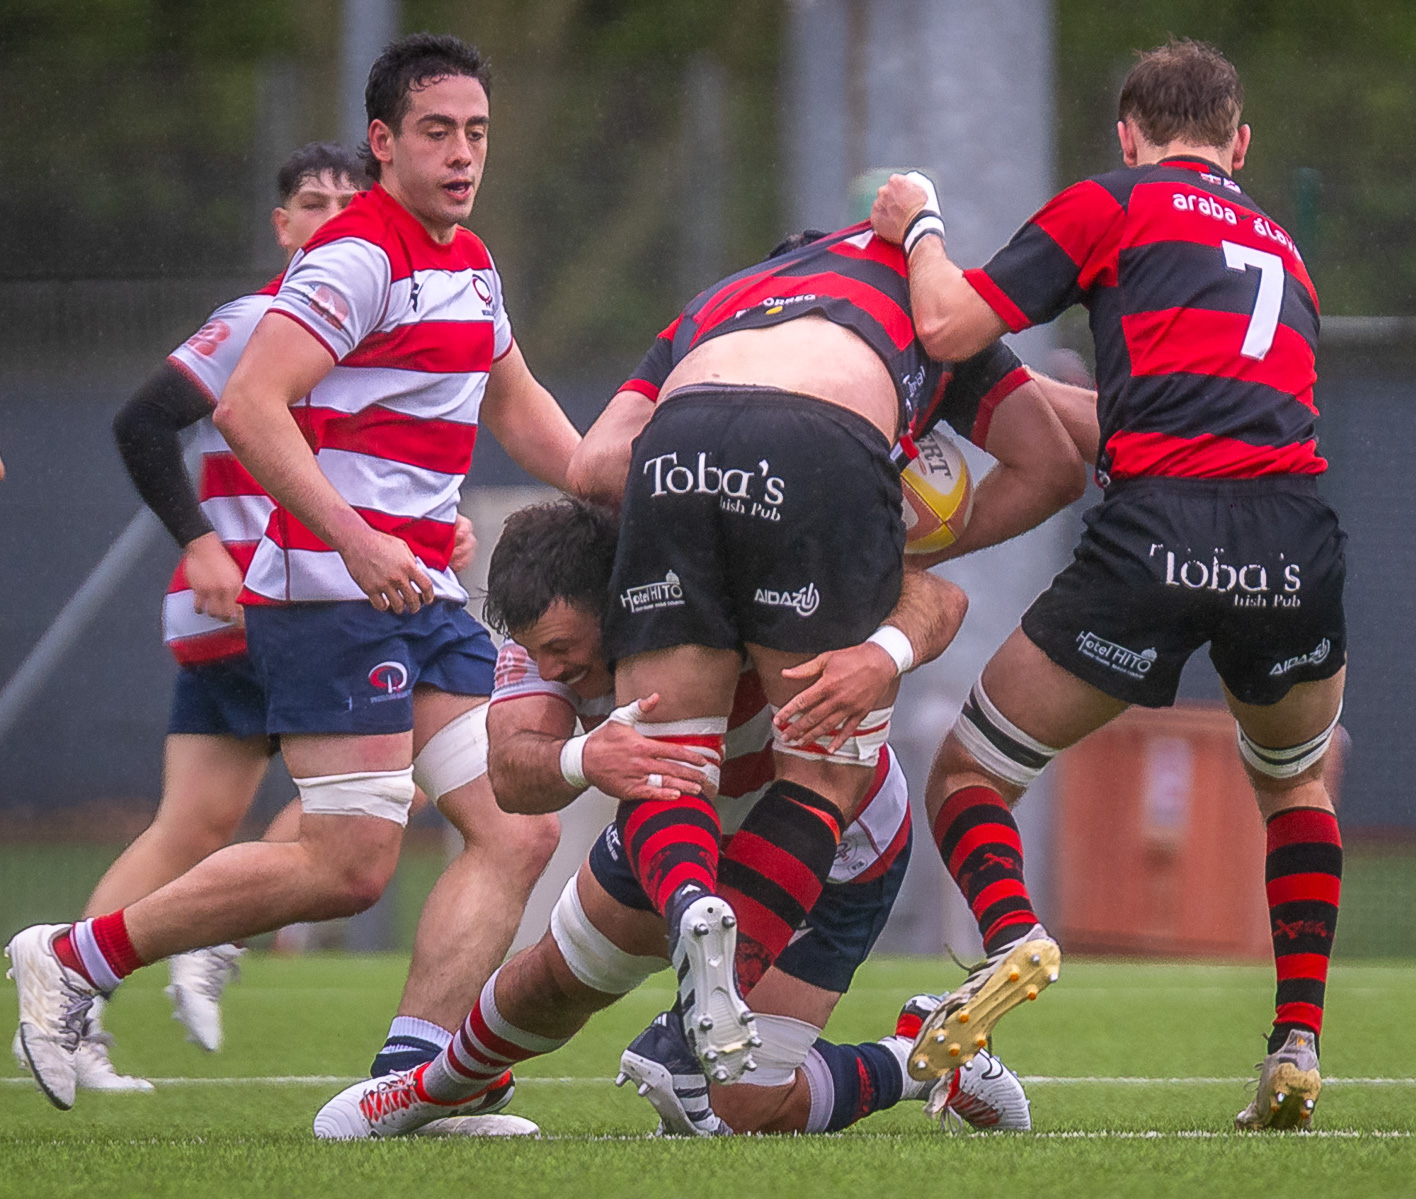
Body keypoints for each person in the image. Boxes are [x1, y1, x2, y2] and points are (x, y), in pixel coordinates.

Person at [7, 35, 574, 1127]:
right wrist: (358, 539)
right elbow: (244, 407)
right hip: (330, 597)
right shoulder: (354, 256)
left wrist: (635, 477)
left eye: (477, 133)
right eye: (436, 132)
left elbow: (529, 417)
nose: (463, 154)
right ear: (383, 142)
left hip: (423, 600)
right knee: (349, 863)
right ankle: (76, 955)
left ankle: (418, 1079)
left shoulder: (471, 260)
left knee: (518, 824)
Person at [870, 39, 1345, 1129]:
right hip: (1293, 536)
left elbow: (947, 325)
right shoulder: (1285, 248)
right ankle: (1297, 1043)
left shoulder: (1112, 202)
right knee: (1294, 785)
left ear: (1128, 136)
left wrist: (922, 222)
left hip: (1158, 537)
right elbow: (1190, 413)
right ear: (1241, 143)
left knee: (972, 773)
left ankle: (1011, 934)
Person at [313, 498, 1030, 1137]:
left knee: (746, 1107)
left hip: (835, 849)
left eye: (564, 648)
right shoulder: (541, 646)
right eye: (537, 651)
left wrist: (883, 655)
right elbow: (511, 773)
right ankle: (423, 1090)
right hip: (678, 830)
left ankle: (923, 1060)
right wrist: (583, 758)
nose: (552, 667)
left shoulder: (734, 584)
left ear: (618, 601)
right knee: (548, 986)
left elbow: (936, 595)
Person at [558, 225, 1085, 1084]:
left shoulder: (724, 301)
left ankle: (693, 908)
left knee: (667, 753)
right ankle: (694, 1028)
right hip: (823, 450)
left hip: (679, 445)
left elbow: (592, 465)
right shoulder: (931, 306)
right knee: (826, 770)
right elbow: (1054, 464)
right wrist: (869, 559)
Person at [6, 143, 397, 1097]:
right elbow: (143, 423)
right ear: (283, 225)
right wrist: (200, 541)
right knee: (435, 755)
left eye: (350, 201)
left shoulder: (382, 324)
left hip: (308, 603)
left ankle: (69, 1000)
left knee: (192, 826)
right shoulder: (264, 317)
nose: (332, 214)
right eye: (312, 202)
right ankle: (208, 936)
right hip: (271, 606)